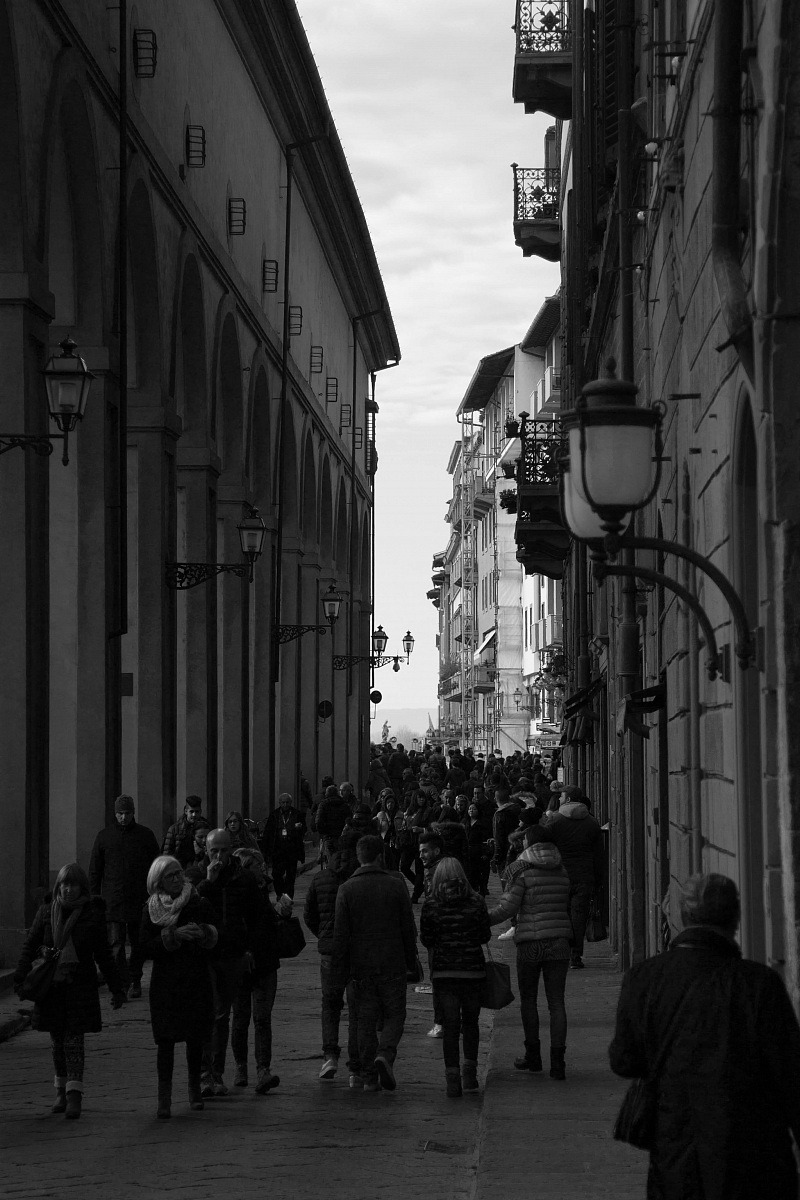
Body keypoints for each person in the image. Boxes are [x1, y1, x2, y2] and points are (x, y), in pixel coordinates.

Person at [609, 873, 800, 1200]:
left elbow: (625, 1061)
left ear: (682, 916)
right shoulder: (759, 984)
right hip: (754, 1145)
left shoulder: (645, 977)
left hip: (678, 1139)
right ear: (735, 918)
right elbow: (790, 1074)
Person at [13, 863, 126, 1119]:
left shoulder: (91, 915)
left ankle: (75, 1094)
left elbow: (104, 954)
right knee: (56, 1042)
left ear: (82, 887)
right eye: (63, 883)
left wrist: (117, 988)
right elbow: (29, 945)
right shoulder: (45, 912)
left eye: (73, 884)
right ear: (58, 886)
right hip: (51, 988)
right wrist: (20, 980)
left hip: (80, 987)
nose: (67, 889)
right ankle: (60, 1090)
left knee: (74, 1040)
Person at [331, 835, 417, 1092]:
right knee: (394, 1014)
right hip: (392, 961)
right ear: (380, 856)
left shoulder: (346, 888)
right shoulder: (396, 885)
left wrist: (340, 971)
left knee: (364, 1020)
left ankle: (368, 1076)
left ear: (359, 857)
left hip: (360, 965)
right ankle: (385, 1053)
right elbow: (407, 928)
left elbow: (340, 935)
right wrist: (411, 961)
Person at [487, 827, 572, 1080]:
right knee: (557, 1003)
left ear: (530, 843)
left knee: (530, 1001)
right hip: (559, 940)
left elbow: (507, 908)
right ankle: (558, 1063)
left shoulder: (522, 870)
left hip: (531, 943)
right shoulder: (561, 868)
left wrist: (481, 920)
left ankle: (533, 1057)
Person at [139, 855, 218, 1118]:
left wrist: (203, 932)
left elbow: (215, 930)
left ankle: (194, 1089)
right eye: (170, 875)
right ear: (158, 881)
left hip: (195, 979)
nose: (177, 879)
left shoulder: (196, 902)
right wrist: (172, 936)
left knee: (194, 1038)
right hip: (165, 983)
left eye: (179, 874)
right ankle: (165, 1098)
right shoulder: (151, 909)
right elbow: (144, 947)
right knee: (166, 1041)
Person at [196, 828, 262, 1096]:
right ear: (205, 850)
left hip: (232, 954)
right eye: (214, 851)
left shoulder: (243, 878)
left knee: (222, 1016)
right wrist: (208, 883)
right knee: (205, 1015)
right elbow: (191, 907)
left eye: (224, 850)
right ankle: (203, 1074)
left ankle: (216, 1073)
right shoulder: (195, 875)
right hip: (204, 955)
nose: (220, 856)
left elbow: (256, 918)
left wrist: (250, 949)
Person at [420, 857, 491, 1096]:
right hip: (472, 971)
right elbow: (484, 936)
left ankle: (452, 1079)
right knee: (471, 1023)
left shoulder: (431, 904)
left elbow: (426, 939)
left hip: (444, 972)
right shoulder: (477, 900)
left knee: (450, 1026)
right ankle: (470, 1074)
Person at [88, 794, 159, 999]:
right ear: (115, 813)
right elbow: (95, 869)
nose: (123, 817)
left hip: (139, 899)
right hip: (113, 899)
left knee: (139, 943)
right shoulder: (104, 837)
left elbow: (156, 866)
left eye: (127, 813)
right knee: (116, 944)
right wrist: (95, 896)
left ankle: (135, 978)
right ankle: (122, 981)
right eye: (120, 813)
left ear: (133, 813)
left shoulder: (145, 835)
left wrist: (155, 893)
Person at [303, 831, 360, 1084]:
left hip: (330, 952)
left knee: (330, 1004)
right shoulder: (360, 878)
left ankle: (330, 1055)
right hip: (358, 951)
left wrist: (324, 936)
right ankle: (355, 1065)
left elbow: (309, 916)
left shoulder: (320, 878)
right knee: (358, 1008)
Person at [231, 848, 288, 1094]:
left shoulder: (266, 889)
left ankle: (262, 1069)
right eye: (257, 865)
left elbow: (267, 926)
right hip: (242, 964)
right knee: (241, 1019)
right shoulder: (234, 893)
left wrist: (279, 915)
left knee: (262, 1018)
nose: (262, 869)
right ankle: (240, 1068)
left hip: (265, 963)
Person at [542, 784, 603, 969]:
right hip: (584, 875)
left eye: (561, 797)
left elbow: (544, 847)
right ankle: (575, 955)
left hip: (560, 874)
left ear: (567, 799)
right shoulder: (591, 822)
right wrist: (598, 879)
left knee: (562, 915)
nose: (559, 800)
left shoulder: (555, 821)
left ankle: (562, 952)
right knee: (579, 916)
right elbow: (599, 854)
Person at [259, 793, 305, 897]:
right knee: (276, 874)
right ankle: (280, 894)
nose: (285, 805)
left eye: (287, 802)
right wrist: (265, 850)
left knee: (291, 875)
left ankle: (288, 897)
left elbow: (304, 830)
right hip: (278, 849)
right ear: (279, 803)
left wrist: (300, 828)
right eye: (283, 802)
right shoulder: (274, 815)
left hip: (291, 849)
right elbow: (268, 832)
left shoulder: (296, 814)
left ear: (291, 803)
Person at [162, 795, 205, 867]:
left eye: (197, 812)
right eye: (191, 811)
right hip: (180, 867)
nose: (194, 815)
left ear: (200, 812)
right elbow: (167, 855)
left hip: (200, 867)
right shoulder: (174, 829)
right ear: (186, 811)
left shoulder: (206, 827)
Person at [465, 801, 493, 897]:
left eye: (474, 809)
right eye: (470, 809)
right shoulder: (465, 822)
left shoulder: (483, 823)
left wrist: (486, 853)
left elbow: (487, 839)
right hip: (468, 853)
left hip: (479, 852)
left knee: (481, 875)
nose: (471, 811)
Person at [315, 784, 353, 856]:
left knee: (331, 860)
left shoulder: (323, 805)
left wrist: (323, 833)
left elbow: (318, 821)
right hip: (341, 835)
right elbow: (349, 820)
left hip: (328, 836)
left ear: (327, 793)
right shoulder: (344, 805)